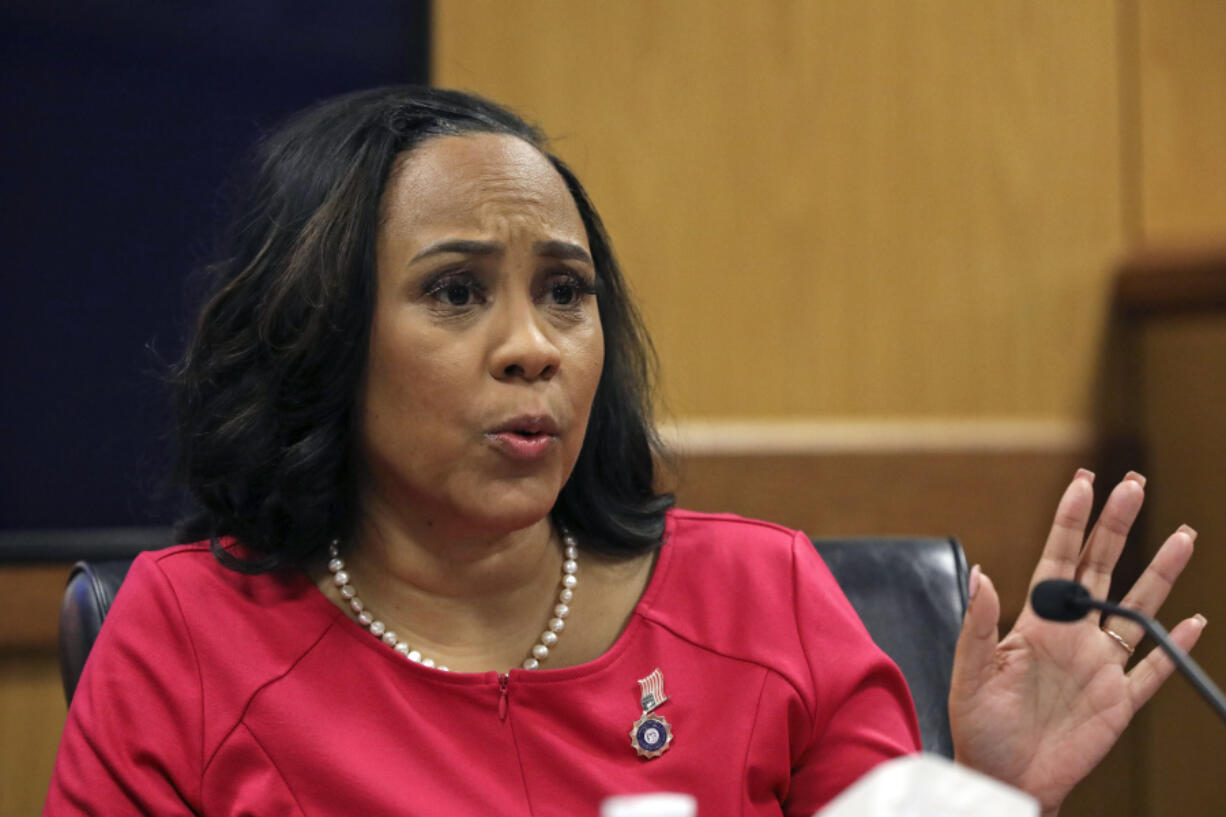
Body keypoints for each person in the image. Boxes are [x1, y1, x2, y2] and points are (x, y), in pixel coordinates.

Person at [43, 87, 1205, 816]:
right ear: (324, 335)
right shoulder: (183, 634)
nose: (532, 347)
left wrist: (985, 798)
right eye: (455, 293)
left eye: (565, 293)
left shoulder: (764, 595)